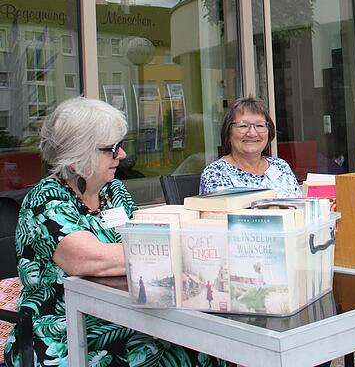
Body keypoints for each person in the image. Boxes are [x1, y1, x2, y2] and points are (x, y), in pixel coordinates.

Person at [3, 97, 224, 367]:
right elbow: (88, 259)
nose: (121, 155)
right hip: (69, 333)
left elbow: (146, 240)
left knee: (207, 351)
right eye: (111, 148)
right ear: (77, 154)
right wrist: (190, 248)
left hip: (129, 319)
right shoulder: (47, 200)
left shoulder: (113, 191)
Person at [200, 97, 301, 198]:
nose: (252, 133)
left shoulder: (281, 166)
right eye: (243, 126)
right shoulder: (216, 173)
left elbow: (300, 207)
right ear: (228, 132)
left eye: (260, 126)